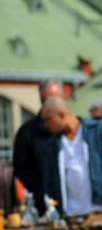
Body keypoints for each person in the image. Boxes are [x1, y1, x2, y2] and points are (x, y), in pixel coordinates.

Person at [39, 96, 102, 216]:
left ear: (62, 115)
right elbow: (49, 183)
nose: (46, 124)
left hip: (100, 210)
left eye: (48, 119)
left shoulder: (98, 131)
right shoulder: (52, 146)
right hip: (70, 215)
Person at [12, 79, 62, 216]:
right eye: (46, 100)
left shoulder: (70, 129)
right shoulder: (27, 131)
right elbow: (20, 168)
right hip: (43, 204)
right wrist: (39, 190)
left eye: (54, 99)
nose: (51, 105)